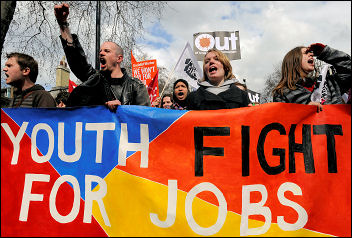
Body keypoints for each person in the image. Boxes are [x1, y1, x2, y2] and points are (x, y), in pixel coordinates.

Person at [54, 3, 150, 111]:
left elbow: (144, 119)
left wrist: (122, 110)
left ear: (119, 58)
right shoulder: (95, 80)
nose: (101, 53)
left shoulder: (136, 86)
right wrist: (63, 24)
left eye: (107, 51)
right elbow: (77, 61)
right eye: (100, 51)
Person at [272, 43, 351, 111]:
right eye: (306, 53)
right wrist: (304, 112)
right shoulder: (282, 93)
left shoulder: (329, 83)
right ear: (294, 60)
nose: (312, 54)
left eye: (311, 53)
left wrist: (325, 52)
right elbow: (280, 121)